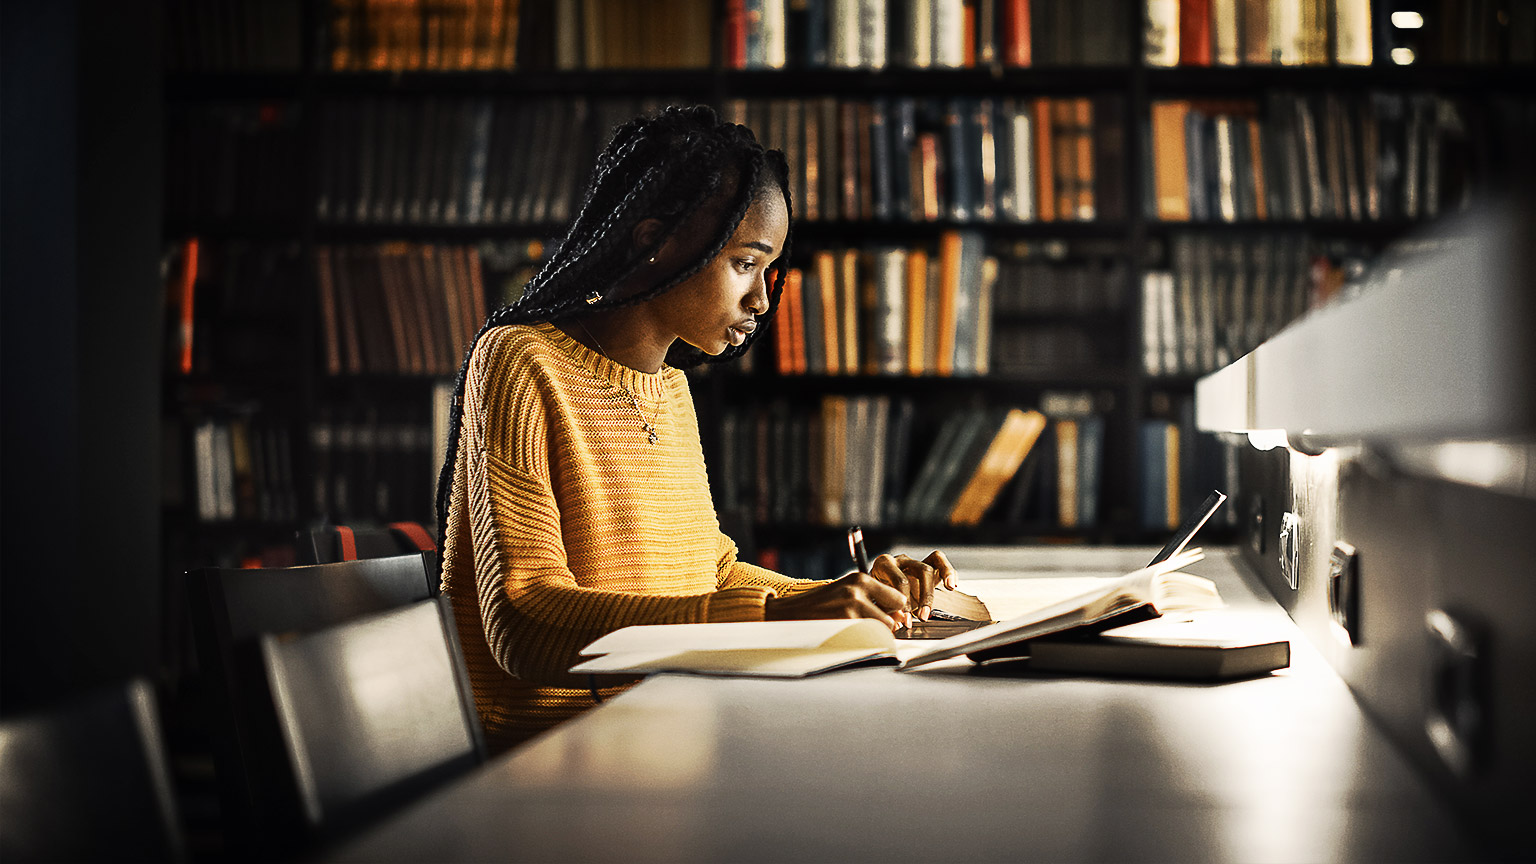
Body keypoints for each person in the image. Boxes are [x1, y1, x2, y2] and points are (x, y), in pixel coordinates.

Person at [436, 104, 958, 753]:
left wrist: (845, 597)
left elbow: (709, 575)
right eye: (744, 263)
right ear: (655, 242)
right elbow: (522, 622)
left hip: (669, 732)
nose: (763, 301)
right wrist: (772, 617)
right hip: (557, 754)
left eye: (769, 272)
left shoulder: (672, 388)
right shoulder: (521, 362)